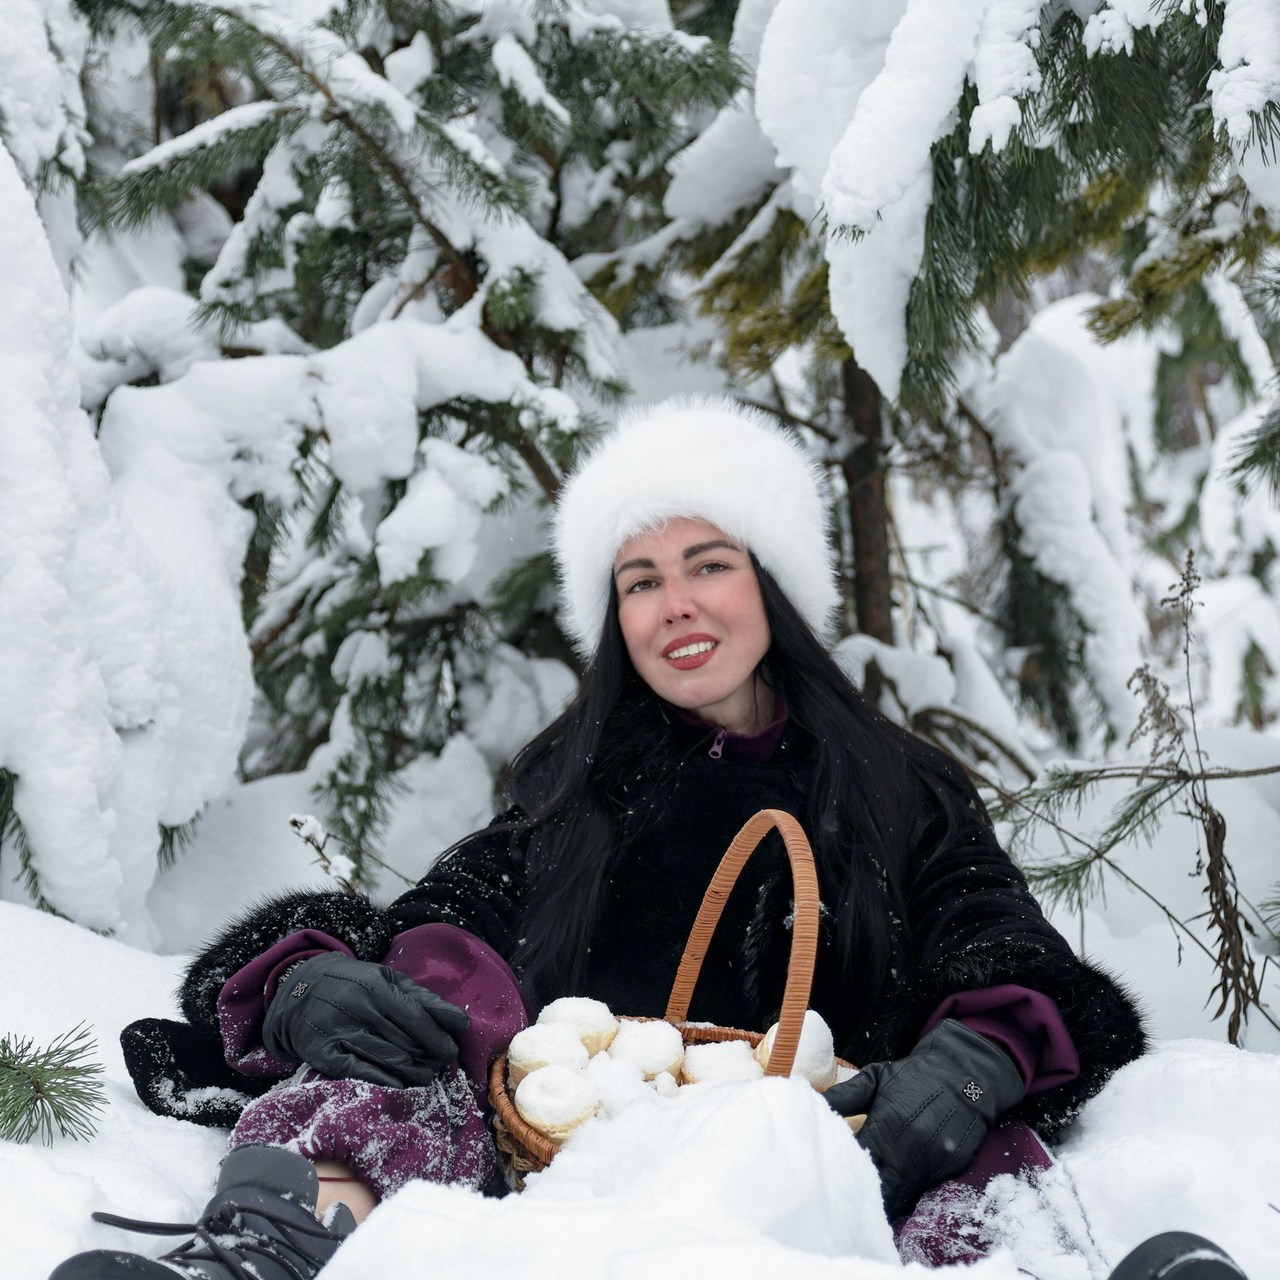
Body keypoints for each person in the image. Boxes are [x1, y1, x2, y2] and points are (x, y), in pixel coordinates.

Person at [53, 397, 1248, 1280]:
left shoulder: (897, 782)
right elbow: (443, 929)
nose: (673, 603)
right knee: (389, 1064)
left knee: (969, 1154)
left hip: (839, 1149)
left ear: (769, 587)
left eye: (706, 564)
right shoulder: (574, 782)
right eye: (637, 580)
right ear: (612, 618)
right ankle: (268, 1251)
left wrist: (975, 1058)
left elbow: (996, 940)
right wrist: (317, 976)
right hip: (578, 1157)